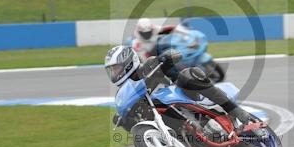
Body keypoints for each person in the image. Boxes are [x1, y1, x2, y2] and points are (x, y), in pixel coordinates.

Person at [104, 45, 253, 131]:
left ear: (128, 63)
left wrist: (166, 58)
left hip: (186, 97)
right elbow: (135, 128)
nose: (114, 73)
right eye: (111, 70)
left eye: (116, 68)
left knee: (187, 75)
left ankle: (236, 111)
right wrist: (124, 120)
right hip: (165, 119)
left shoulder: (149, 65)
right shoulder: (124, 93)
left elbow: (174, 61)